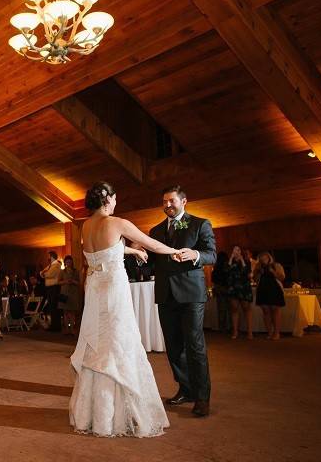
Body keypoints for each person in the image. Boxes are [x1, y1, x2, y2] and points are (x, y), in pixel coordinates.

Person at [71, 182, 180, 437]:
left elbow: (103, 251)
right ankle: (120, 415)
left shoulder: (86, 226)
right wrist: (175, 251)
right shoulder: (117, 222)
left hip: (95, 289)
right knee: (120, 343)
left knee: (97, 344)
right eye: (116, 197)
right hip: (113, 291)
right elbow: (151, 243)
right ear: (109, 199)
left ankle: (94, 415)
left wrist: (131, 252)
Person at [149, 185, 216, 418]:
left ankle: (202, 397)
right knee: (174, 346)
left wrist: (195, 255)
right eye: (164, 201)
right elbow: (151, 264)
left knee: (194, 345)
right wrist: (134, 254)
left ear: (184, 201)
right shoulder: (155, 230)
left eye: (172, 201)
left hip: (191, 295)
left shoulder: (200, 224)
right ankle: (185, 389)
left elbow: (212, 254)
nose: (167, 205)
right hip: (166, 295)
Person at [254, 252, 286, 340]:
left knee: (275, 310)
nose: (264, 260)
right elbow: (255, 279)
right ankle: (269, 332)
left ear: (269, 258)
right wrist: (258, 273)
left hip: (274, 289)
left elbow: (282, 277)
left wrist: (273, 272)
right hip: (263, 290)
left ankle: (277, 333)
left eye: (265, 258)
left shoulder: (276, 265)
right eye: (262, 258)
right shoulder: (258, 267)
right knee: (266, 311)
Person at [227, 245, 253, 340]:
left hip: (244, 287)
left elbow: (247, 272)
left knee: (246, 308)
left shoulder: (246, 261)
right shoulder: (230, 261)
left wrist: (242, 260)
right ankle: (235, 332)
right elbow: (226, 271)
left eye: (237, 250)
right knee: (234, 309)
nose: (236, 251)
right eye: (234, 250)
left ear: (241, 251)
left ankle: (249, 332)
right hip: (233, 287)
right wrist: (231, 258)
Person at [58, 255, 81, 335]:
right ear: (65, 263)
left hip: (73, 293)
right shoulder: (62, 271)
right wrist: (65, 281)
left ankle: (72, 329)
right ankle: (67, 329)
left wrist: (73, 281)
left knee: (72, 312)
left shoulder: (76, 271)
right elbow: (58, 282)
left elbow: (79, 282)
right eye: (67, 262)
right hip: (64, 293)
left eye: (70, 262)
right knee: (65, 312)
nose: (69, 263)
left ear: (72, 262)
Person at [40, 251, 63, 331]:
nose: (48, 258)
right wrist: (44, 273)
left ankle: (56, 326)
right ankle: (53, 325)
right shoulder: (51, 265)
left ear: (52, 256)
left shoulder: (56, 265)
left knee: (54, 307)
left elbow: (49, 274)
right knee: (51, 307)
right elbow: (41, 273)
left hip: (54, 287)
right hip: (50, 288)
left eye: (49, 256)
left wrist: (44, 273)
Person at [211, 251, 230, 333]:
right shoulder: (226, 266)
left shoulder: (216, 267)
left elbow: (213, 279)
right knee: (227, 308)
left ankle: (222, 327)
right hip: (225, 288)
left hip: (218, 288)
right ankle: (227, 327)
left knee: (221, 308)